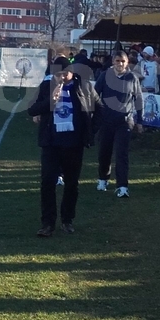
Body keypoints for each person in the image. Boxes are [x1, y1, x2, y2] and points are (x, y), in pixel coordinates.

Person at [28, 56, 100, 237]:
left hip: (74, 143)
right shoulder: (46, 87)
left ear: (72, 72)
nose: (60, 77)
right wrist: (50, 101)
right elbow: (32, 109)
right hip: (51, 143)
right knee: (47, 183)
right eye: (57, 73)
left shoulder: (84, 87)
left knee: (71, 184)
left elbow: (100, 109)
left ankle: (67, 220)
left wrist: (90, 130)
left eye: (64, 73)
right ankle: (47, 223)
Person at [95, 50, 144, 198]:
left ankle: (122, 186)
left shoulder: (132, 78)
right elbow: (95, 95)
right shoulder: (105, 76)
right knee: (105, 152)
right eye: (117, 61)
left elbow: (139, 99)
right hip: (106, 121)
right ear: (113, 62)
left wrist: (139, 121)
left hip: (124, 121)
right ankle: (103, 179)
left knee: (121, 154)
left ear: (127, 63)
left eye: (123, 61)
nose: (120, 64)